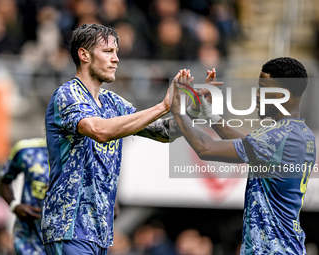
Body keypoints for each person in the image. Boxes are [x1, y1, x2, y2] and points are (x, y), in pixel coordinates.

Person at [42, 23, 185, 254]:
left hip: (99, 232)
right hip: (69, 227)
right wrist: (162, 106)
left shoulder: (113, 102)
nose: (116, 59)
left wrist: (196, 114)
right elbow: (99, 131)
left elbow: (163, 132)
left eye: (116, 52)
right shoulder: (67, 94)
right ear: (84, 54)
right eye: (108, 52)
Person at [170, 58, 316, 254]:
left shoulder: (275, 137)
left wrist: (178, 109)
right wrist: (209, 113)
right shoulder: (300, 133)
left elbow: (205, 148)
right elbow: (248, 145)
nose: (257, 95)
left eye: (263, 88)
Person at [0, 138, 49, 255]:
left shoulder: (86, 152)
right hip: (32, 241)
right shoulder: (26, 150)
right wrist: (14, 206)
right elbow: (3, 181)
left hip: (71, 241)